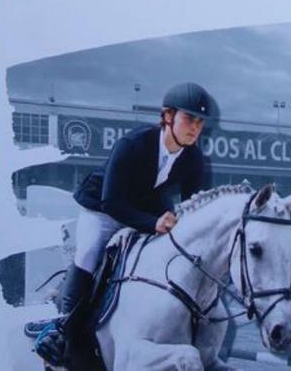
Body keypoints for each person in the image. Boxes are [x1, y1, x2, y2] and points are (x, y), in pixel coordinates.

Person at [33, 82, 217, 370]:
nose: (195, 127)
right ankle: (60, 330)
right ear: (167, 116)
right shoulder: (133, 144)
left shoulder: (193, 157)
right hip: (102, 206)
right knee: (89, 253)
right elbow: (112, 202)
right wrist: (155, 222)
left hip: (144, 207)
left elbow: (193, 204)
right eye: (188, 118)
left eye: (199, 121)